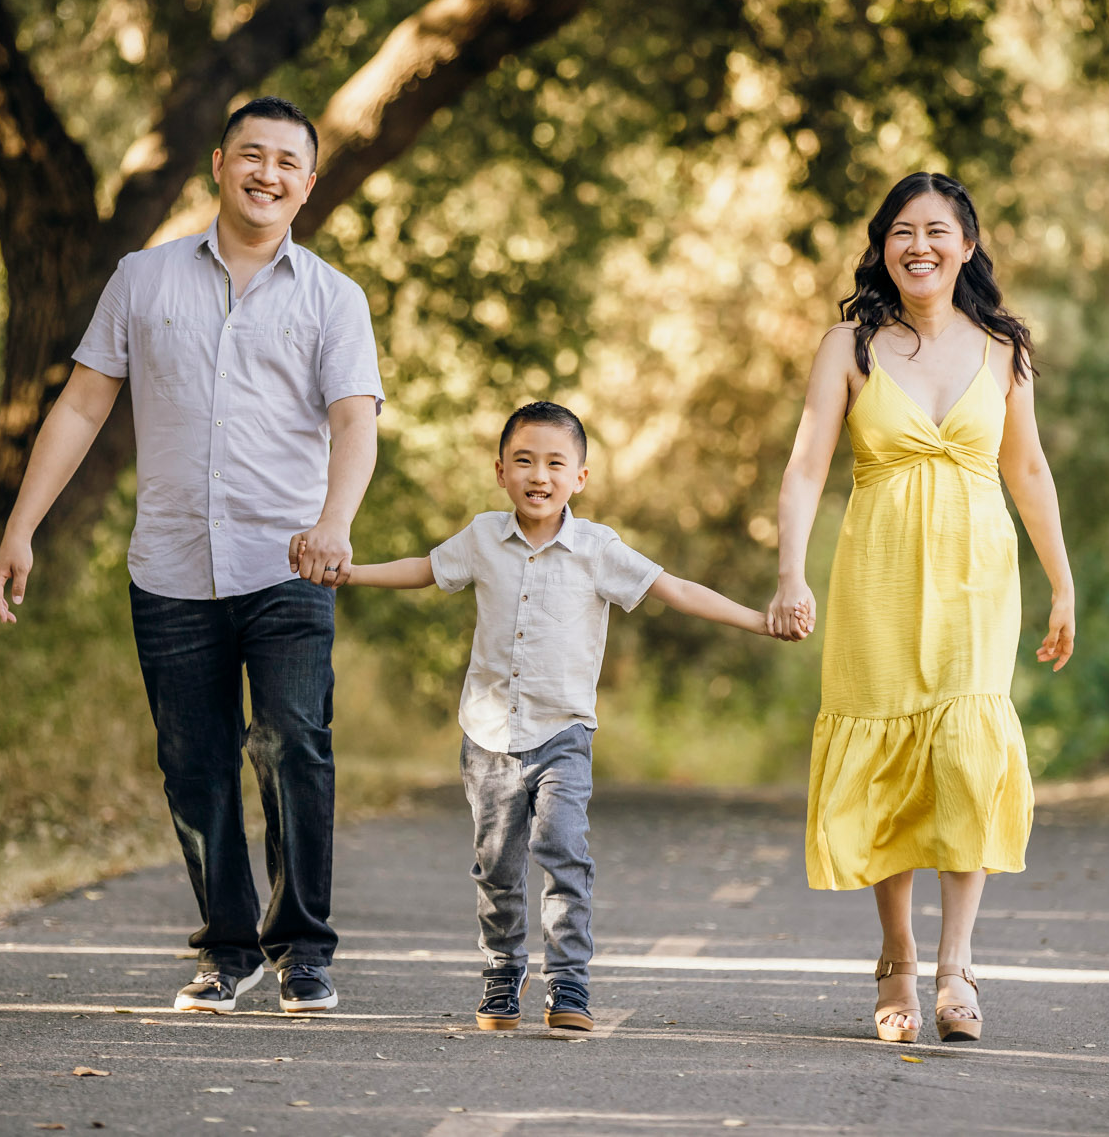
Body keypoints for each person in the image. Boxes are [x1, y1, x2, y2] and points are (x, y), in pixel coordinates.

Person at [0, 96, 382, 1016]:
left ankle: (302, 949)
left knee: (293, 746)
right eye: (252, 156)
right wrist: (21, 527)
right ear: (218, 163)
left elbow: (355, 423)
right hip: (169, 564)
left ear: (308, 184)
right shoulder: (143, 278)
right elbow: (83, 406)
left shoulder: (333, 296)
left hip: (291, 562)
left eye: (287, 162)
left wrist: (336, 521)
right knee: (194, 763)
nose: (267, 174)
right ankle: (228, 948)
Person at [314, 401, 804, 1031]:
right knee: (497, 864)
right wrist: (348, 574)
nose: (538, 475)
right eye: (524, 461)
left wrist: (760, 621)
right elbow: (425, 570)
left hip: (563, 735)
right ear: (500, 471)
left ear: (581, 477)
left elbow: (675, 590)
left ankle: (568, 985)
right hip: (488, 736)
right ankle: (501, 973)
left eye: (555, 462)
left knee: (564, 852)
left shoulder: (597, 549)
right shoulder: (483, 537)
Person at [766, 171, 1074, 1045]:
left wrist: (1063, 581)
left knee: (967, 756)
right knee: (891, 757)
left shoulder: (1003, 348)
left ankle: (958, 965)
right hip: (879, 576)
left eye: (938, 230)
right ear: (884, 246)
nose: (920, 246)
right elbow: (804, 466)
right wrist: (792, 572)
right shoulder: (851, 345)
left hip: (979, 578)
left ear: (966, 246)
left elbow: (1030, 471)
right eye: (903, 231)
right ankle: (896, 957)